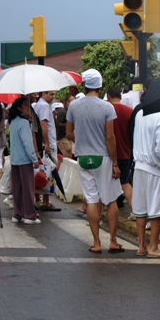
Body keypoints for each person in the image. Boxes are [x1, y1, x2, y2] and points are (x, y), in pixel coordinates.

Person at [66, 69, 124, 254]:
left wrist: (82, 143)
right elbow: (110, 137)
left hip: (83, 158)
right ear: (100, 86)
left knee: (91, 200)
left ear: (85, 85)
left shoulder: (73, 106)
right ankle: (113, 241)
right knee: (111, 199)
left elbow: (68, 133)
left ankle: (96, 243)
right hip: (104, 158)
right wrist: (115, 163)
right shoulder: (107, 107)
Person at [131, 106, 160, 257]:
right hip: (155, 168)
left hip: (139, 166)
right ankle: (153, 247)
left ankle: (142, 245)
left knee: (141, 209)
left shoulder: (139, 114)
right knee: (157, 209)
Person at [8, 96, 41, 224]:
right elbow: (28, 143)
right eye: (26, 105)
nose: (28, 107)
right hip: (25, 160)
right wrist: (34, 159)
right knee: (28, 188)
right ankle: (29, 214)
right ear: (19, 108)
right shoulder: (23, 123)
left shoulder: (14, 122)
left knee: (17, 188)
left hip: (15, 159)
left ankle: (17, 213)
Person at [32, 91, 61, 211]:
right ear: (43, 93)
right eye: (51, 94)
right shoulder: (44, 106)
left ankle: (38, 199)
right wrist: (47, 143)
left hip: (41, 143)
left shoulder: (36, 105)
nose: (53, 97)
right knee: (47, 171)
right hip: (48, 144)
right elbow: (43, 124)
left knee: (40, 170)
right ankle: (46, 201)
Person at [106, 86, 133, 210]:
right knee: (125, 182)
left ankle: (105, 209)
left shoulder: (106, 110)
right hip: (125, 152)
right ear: (121, 97)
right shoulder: (130, 112)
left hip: (109, 154)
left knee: (104, 183)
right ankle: (135, 210)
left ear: (108, 96)